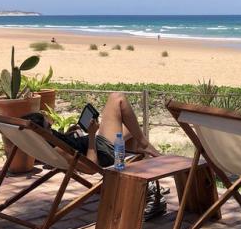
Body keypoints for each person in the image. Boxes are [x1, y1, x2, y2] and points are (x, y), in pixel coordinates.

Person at [22, 93, 166, 219]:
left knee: (130, 127)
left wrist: (69, 136)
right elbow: (92, 167)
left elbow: (63, 144)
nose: (52, 126)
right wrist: (91, 134)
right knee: (117, 99)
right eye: (49, 127)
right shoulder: (60, 151)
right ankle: (146, 174)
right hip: (102, 150)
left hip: (98, 144)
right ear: (43, 133)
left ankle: (141, 184)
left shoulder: (42, 142)